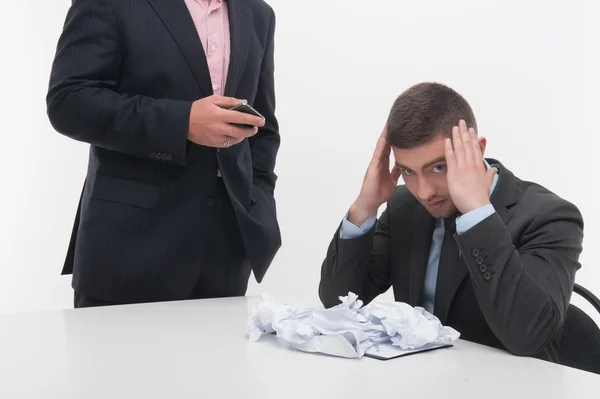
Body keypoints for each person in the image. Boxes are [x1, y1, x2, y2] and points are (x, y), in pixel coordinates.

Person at [319, 82, 584, 362]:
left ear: (477, 150)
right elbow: (339, 305)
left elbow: (528, 336)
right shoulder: (404, 207)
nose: (424, 191)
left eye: (438, 167)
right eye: (408, 171)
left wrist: (477, 214)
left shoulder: (549, 217)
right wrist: (365, 206)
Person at [46, 0, 281, 307]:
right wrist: (182, 123)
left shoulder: (259, 14)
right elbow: (69, 101)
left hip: (225, 252)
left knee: (216, 357)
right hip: (128, 249)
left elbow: (263, 128)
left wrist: (257, 202)